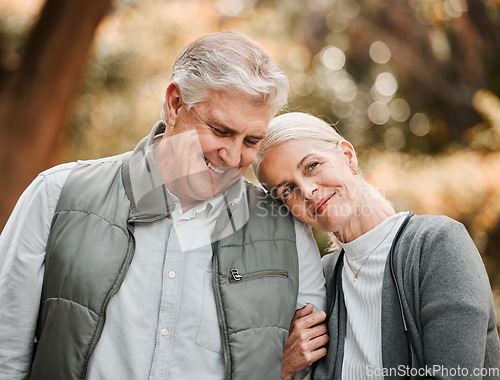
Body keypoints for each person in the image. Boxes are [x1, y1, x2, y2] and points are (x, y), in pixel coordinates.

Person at [0, 33, 327, 380]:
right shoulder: (56, 194)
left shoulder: (286, 230)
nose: (233, 157)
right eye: (220, 130)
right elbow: (6, 352)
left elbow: (309, 367)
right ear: (175, 103)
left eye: (251, 141)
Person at [254, 112, 500, 379]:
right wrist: (282, 369)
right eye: (287, 190)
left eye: (311, 166)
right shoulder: (321, 280)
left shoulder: (436, 245)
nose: (308, 191)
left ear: (348, 157)